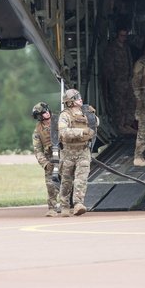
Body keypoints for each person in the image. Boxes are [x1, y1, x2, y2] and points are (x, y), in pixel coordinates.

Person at [57, 88, 98, 216]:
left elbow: (96, 124)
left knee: (81, 179)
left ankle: (78, 203)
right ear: (71, 102)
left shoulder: (85, 112)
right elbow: (63, 132)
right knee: (66, 181)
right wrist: (81, 132)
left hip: (83, 151)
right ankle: (64, 206)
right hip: (68, 153)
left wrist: (92, 116)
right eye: (77, 97)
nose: (80, 98)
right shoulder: (65, 115)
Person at [102, 27, 136, 134]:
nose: (123, 38)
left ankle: (127, 124)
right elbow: (108, 65)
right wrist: (114, 78)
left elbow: (130, 61)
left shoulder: (126, 47)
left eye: (125, 36)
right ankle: (120, 126)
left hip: (128, 79)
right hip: (118, 81)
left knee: (131, 102)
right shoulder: (112, 48)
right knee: (119, 104)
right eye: (122, 35)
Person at [31, 102, 59, 217]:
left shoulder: (60, 121)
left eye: (47, 110)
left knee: (68, 182)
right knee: (51, 185)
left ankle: (68, 205)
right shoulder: (37, 132)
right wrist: (45, 164)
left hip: (65, 156)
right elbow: (37, 151)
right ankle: (52, 208)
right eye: (43, 112)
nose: (47, 113)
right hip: (50, 160)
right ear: (39, 116)